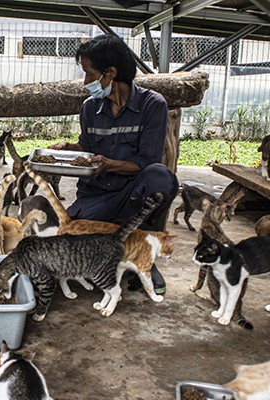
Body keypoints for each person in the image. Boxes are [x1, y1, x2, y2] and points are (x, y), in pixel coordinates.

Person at [49, 34, 179, 295]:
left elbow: (146, 161)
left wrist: (109, 164)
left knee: (160, 177)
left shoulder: (152, 105)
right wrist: (69, 149)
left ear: (110, 73)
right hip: (96, 195)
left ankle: (146, 252)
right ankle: (116, 251)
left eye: (89, 73)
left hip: (131, 195)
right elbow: (87, 148)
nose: (86, 82)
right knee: (61, 231)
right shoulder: (89, 108)